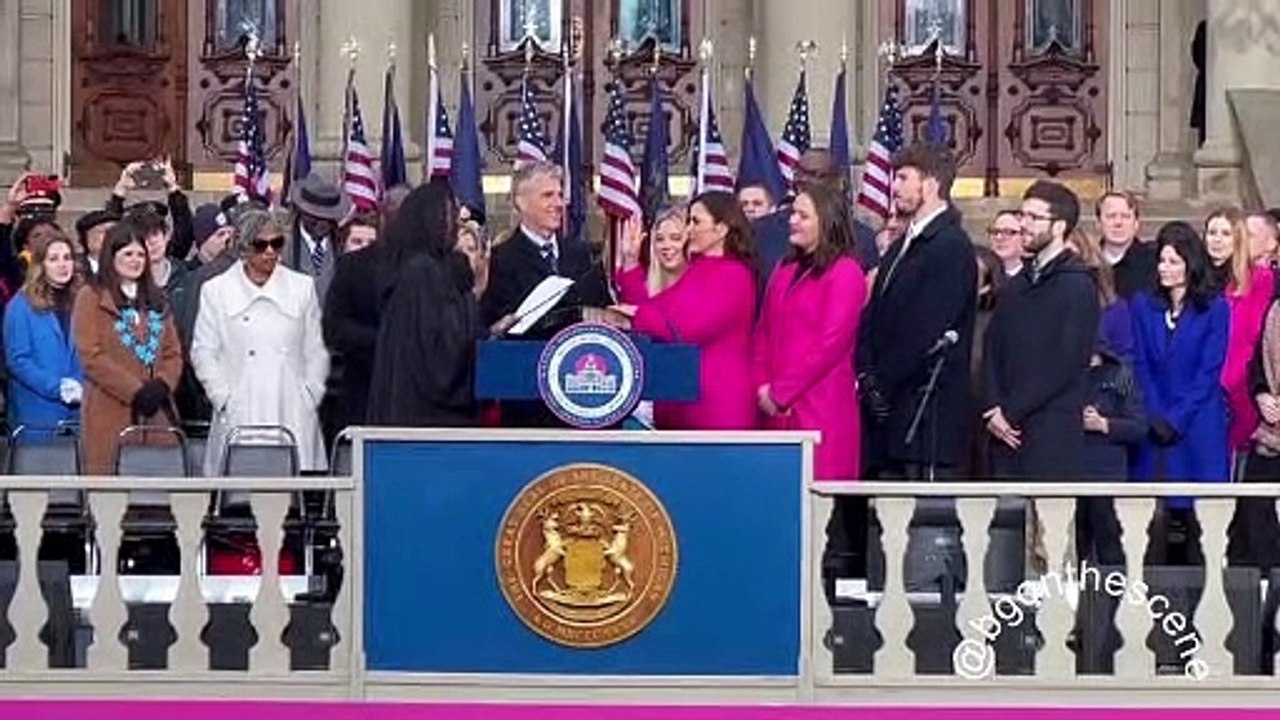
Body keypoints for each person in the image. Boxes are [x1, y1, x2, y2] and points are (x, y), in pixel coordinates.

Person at [857, 143, 977, 479]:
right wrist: (866, 374)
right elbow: (874, 315)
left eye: (904, 178)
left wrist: (883, 382)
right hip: (887, 414)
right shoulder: (900, 246)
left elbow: (925, 330)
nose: (894, 187)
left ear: (931, 184)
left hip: (924, 416)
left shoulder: (950, 246)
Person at [190, 208, 329, 476]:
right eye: (260, 245)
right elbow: (204, 351)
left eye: (276, 243)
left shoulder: (302, 287)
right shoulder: (216, 290)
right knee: (241, 492)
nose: (269, 252)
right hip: (241, 407)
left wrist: (309, 395)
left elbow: (315, 349)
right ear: (244, 247)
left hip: (291, 407)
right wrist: (223, 399)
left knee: (293, 497)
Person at [610, 191, 759, 430]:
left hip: (718, 404)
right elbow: (657, 311)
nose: (689, 229)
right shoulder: (699, 269)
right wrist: (630, 264)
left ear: (721, 229)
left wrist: (635, 316)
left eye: (696, 222)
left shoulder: (734, 275)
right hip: (686, 399)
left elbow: (686, 329)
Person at [983, 180, 1100, 480]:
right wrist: (994, 407)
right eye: (1023, 216)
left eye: (1034, 218)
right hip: (1005, 431)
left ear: (1059, 227)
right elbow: (993, 346)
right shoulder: (1017, 285)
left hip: (1051, 431)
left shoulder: (1076, 284)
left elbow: (1066, 361)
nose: (1024, 225)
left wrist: (1011, 411)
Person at [480, 161, 611, 427]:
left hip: (579, 393)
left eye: (560, 195)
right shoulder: (501, 260)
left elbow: (600, 308)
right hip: (527, 398)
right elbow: (494, 322)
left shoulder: (580, 253)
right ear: (522, 202)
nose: (558, 203)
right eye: (547, 196)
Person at [1131, 221, 1229, 565]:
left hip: (1199, 423)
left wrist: (1177, 417)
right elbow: (1140, 364)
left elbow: (1208, 371)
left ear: (1191, 263)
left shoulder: (1215, 308)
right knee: (1160, 519)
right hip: (1156, 423)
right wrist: (1158, 413)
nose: (1165, 269)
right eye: (1162, 261)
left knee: (1199, 519)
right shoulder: (1143, 306)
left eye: (1174, 261)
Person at [754, 182, 866, 477]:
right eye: (793, 214)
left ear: (826, 220)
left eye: (802, 216)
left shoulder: (845, 272)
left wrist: (782, 393)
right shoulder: (784, 268)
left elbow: (830, 344)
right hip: (774, 409)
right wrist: (764, 385)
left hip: (820, 408)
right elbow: (764, 331)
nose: (792, 220)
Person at [366, 183, 494, 427]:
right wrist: (471, 298)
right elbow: (441, 353)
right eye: (449, 213)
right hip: (422, 416)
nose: (458, 221)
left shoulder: (426, 268)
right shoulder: (421, 272)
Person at [72, 222, 184, 475]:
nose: (135, 260)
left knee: (157, 493)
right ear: (111, 257)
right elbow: (91, 355)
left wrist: (163, 384)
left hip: (157, 412)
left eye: (140, 254)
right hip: (110, 411)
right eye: (128, 254)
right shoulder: (91, 296)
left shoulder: (157, 299)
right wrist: (134, 391)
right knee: (111, 494)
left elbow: (173, 352)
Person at [1204, 208, 1275, 464]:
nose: (1217, 239)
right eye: (1212, 233)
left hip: (1238, 388)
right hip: (1202, 390)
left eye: (1226, 233)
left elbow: (1250, 337)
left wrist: (1225, 384)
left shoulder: (1260, 279)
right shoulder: (1197, 279)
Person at [4, 228, 85, 431]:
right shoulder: (21, 305)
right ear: (41, 265)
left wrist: (82, 384)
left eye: (67, 258)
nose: (62, 265)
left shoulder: (84, 301)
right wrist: (56, 387)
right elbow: (18, 360)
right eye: (54, 259)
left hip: (81, 414)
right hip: (37, 416)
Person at [286, 173, 351, 301]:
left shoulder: (344, 244)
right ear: (301, 211)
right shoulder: (282, 245)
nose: (322, 223)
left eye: (328, 218)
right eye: (315, 217)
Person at [615, 205, 688, 302]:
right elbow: (636, 307)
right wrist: (631, 258)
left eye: (675, 238)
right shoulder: (648, 286)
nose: (666, 245)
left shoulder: (704, 285)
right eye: (660, 239)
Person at [1096, 191, 1157, 300]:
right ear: (1098, 223)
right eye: (1111, 216)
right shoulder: (1087, 262)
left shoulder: (1154, 262)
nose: (1118, 223)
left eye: (1125, 216)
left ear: (1136, 224)